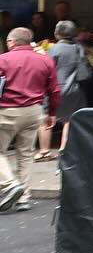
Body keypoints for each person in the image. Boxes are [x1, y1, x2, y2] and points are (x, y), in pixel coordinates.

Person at [0, 28, 60, 212]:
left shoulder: (3, 59)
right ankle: (23, 198)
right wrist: (51, 113)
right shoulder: (45, 60)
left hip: (7, 110)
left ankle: (9, 184)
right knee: (25, 154)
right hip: (34, 111)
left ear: (12, 42)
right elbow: (55, 90)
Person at [47, 21, 88, 154]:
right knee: (68, 120)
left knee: (46, 119)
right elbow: (83, 74)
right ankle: (64, 148)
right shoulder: (79, 48)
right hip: (72, 89)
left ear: (57, 33)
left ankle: (44, 149)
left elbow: (47, 70)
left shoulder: (53, 49)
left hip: (54, 89)